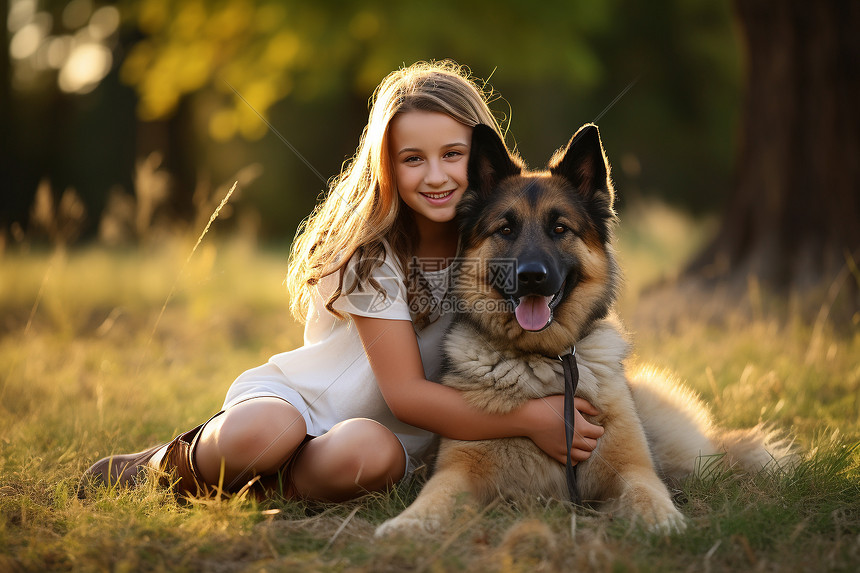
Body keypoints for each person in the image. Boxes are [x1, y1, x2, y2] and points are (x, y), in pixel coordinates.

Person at [80, 60, 604, 503]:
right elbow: (406, 395)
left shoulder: (496, 247)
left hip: (381, 443)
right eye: (412, 159)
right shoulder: (374, 254)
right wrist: (532, 419)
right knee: (268, 432)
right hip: (302, 406)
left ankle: (258, 490)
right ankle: (160, 467)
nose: (437, 176)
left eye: (452, 154)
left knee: (367, 454)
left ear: (484, 163)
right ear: (386, 167)